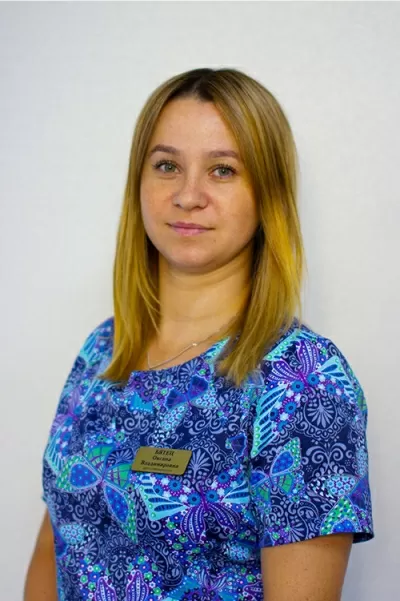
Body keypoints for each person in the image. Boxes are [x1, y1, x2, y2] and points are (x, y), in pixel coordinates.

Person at [24, 67, 374, 601]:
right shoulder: (103, 351)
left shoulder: (303, 380)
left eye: (223, 170)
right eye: (167, 165)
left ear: (268, 192)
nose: (189, 195)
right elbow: (54, 546)